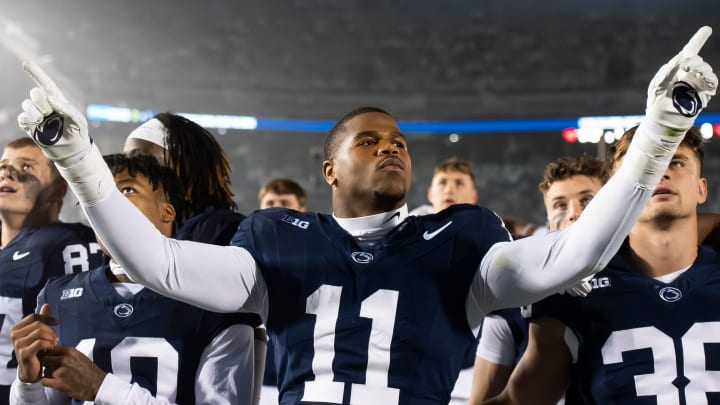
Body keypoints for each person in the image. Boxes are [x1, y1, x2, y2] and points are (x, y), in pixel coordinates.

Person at [16, 27, 716, 404]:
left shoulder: (458, 241)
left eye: (400, 142)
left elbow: (577, 254)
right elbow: (158, 261)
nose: (392, 148)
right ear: (331, 169)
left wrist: (656, 132)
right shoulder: (273, 242)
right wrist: (78, 158)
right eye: (369, 140)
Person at [485, 122, 718, 404]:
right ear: (617, 194)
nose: (662, 171)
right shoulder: (574, 291)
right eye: (645, 163)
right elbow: (518, 400)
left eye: (677, 162)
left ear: (701, 188)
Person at [9, 154, 258, 404]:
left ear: (167, 212)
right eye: (95, 198)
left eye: (126, 190)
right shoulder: (57, 295)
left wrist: (102, 387)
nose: (105, 207)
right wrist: (27, 383)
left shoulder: (218, 299)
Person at [469, 154, 609, 404]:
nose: (575, 213)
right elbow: (482, 398)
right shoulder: (512, 294)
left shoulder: (646, 268)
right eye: (560, 205)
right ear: (547, 218)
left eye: (587, 200)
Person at [0, 138, 105, 404]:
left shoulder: (68, 244)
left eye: (26, 167)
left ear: (58, 190)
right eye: (4, 165)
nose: (8, 172)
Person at [123, 112, 244, 245]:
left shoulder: (224, 230)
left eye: (140, 160)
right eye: (125, 161)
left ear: (186, 169)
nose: (127, 171)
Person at [257, 178, 308, 405]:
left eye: (285, 202)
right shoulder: (243, 250)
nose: (277, 208)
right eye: (270, 202)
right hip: (258, 371)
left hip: (303, 372)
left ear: (302, 209)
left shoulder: (320, 253)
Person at [410, 157, 537, 238]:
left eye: (459, 183)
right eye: (442, 183)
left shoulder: (488, 228)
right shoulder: (410, 226)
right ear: (430, 194)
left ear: (473, 197)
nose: (449, 189)